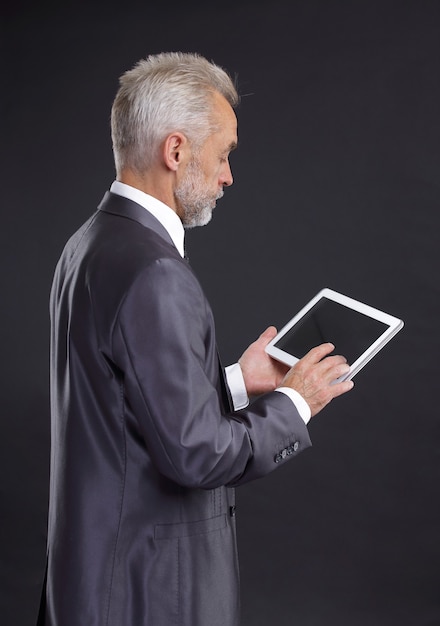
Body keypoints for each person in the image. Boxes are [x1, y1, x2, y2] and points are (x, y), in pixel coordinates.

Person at [42, 52, 353, 626]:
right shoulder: (155, 271)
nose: (229, 174)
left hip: (89, 583)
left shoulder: (84, 247)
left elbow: (122, 412)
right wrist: (295, 403)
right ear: (177, 151)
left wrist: (236, 383)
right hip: (147, 594)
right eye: (225, 153)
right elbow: (196, 454)